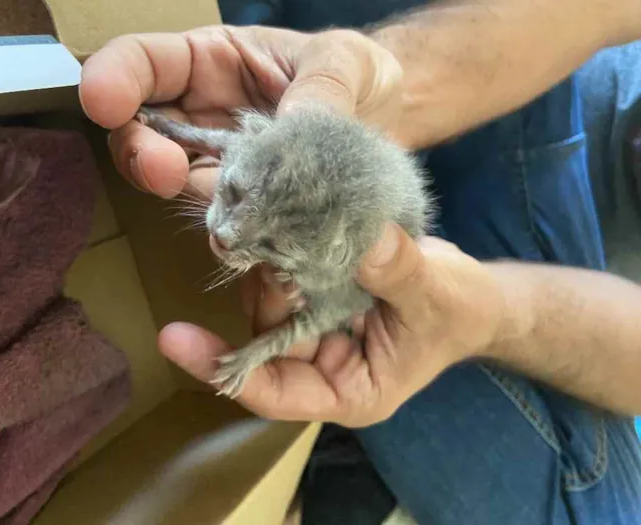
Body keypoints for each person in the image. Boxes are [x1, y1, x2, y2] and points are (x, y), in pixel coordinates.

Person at [78, 0, 641, 522]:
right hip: (554, 84)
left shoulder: (340, 271)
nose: (225, 237)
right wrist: (385, 76)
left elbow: (317, 308)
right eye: (233, 198)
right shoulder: (264, 144)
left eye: (270, 246)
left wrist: (491, 315)